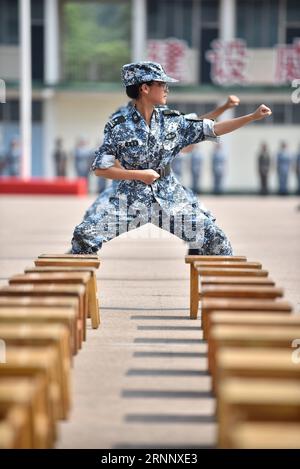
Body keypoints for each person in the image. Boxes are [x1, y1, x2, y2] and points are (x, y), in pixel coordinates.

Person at [70, 61, 271, 255]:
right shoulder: (118, 126)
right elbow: (100, 169)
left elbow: (213, 127)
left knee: (216, 238)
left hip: (170, 198)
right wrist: (138, 175)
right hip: (129, 201)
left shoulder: (173, 122)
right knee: (84, 235)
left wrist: (250, 117)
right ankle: (82, 286)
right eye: (161, 84)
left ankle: (217, 287)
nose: (167, 89)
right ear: (145, 88)